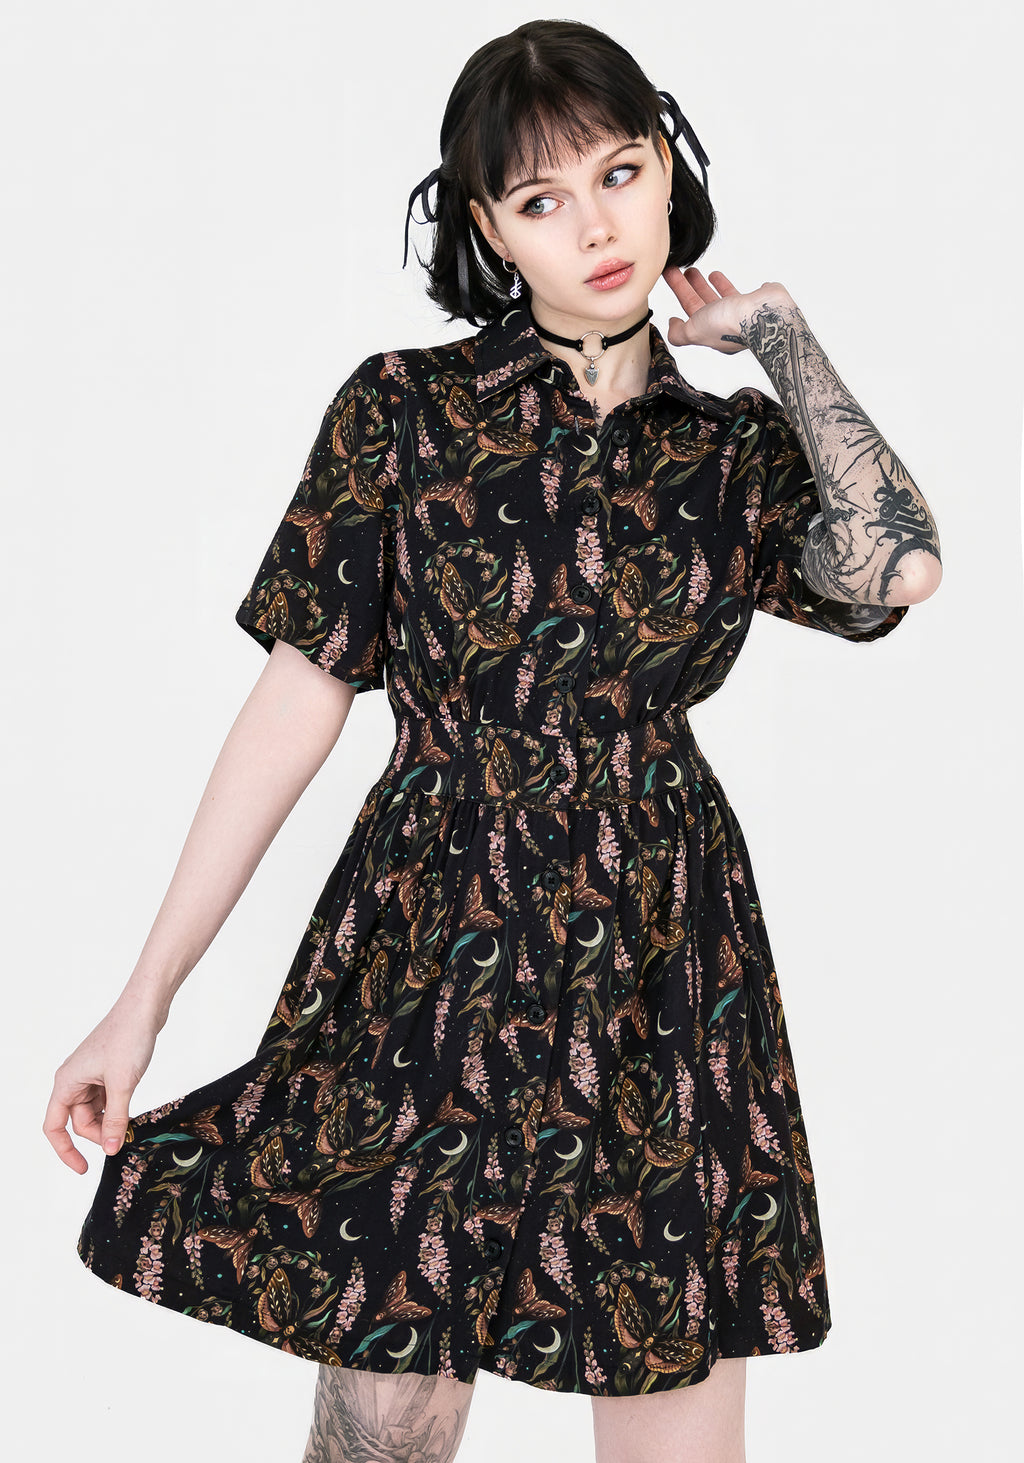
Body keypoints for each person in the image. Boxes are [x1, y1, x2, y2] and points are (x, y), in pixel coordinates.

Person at [45, 17, 941, 1463]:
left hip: (661, 956)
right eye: (541, 199)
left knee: (674, 1415)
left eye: (620, 173)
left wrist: (779, 336)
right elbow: (295, 702)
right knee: (384, 1425)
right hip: (431, 937)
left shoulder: (730, 458)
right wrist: (142, 998)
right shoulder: (402, 413)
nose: (595, 227)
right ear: (488, 229)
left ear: (668, 173)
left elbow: (899, 566)